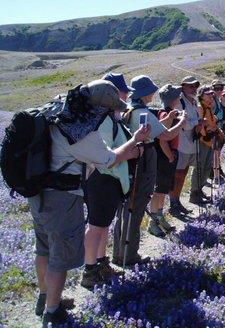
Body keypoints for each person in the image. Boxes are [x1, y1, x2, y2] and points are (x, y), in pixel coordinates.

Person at [30, 80, 151, 327]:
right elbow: (108, 159)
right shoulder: (80, 129)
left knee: (43, 247)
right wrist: (135, 140)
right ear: (99, 107)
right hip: (61, 196)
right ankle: (53, 311)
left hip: (37, 190)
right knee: (59, 255)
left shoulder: (57, 110)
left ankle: (44, 299)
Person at [112, 75, 186, 266]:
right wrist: (181, 122)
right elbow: (166, 134)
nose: (153, 93)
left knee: (125, 208)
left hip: (131, 160)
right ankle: (130, 255)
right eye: (151, 91)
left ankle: (119, 253)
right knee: (136, 206)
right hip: (144, 160)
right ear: (145, 93)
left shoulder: (128, 109)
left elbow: (158, 127)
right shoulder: (143, 112)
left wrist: (169, 119)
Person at [81, 73, 134, 289]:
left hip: (107, 182)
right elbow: (105, 158)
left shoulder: (109, 119)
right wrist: (131, 151)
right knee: (95, 227)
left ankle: (101, 263)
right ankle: (90, 269)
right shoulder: (104, 121)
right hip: (101, 181)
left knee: (102, 225)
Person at [148, 84, 191, 238]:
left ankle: (159, 218)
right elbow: (163, 139)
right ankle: (154, 223)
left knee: (163, 190)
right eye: (177, 96)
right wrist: (170, 156)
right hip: (164, 157)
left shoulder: (169, 112)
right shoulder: (163, 114)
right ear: (173, 99)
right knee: (158, 190)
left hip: (168, 156)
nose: (179, 98)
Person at [169, 76, 209, 211]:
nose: (194, 89)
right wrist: (197, 122)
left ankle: (177, 201)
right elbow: (184, 125)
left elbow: (192, 122)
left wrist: (198, 123)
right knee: (178, 174)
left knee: (183, 173)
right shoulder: (180, 102)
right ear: (183, 87)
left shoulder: (192, 102)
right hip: (181, 144)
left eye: (195, 86)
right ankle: (173, 202)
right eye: (191, 86)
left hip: (190, 144)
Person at [191, 85, 225, 201]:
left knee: (206, 168)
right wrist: (209, 129)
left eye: (211, 94)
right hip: (202, 141)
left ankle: (199, 190)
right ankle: (194, 193)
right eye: (208, 94)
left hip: (209, 141)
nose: (211, 96)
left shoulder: (209, 107)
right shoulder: (200, 108)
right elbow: (201, 125)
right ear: (201, 96)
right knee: (200, 167)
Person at [211, 79, 225, 178]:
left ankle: (216, 174)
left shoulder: (217, 100)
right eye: (216, 88)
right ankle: (215, 176)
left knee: (217, 153)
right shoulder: (213, 100)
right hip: (214, 131)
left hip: (218, 130)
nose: (219, 90)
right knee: (215, 154)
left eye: (220, 88)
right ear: (212, 88)